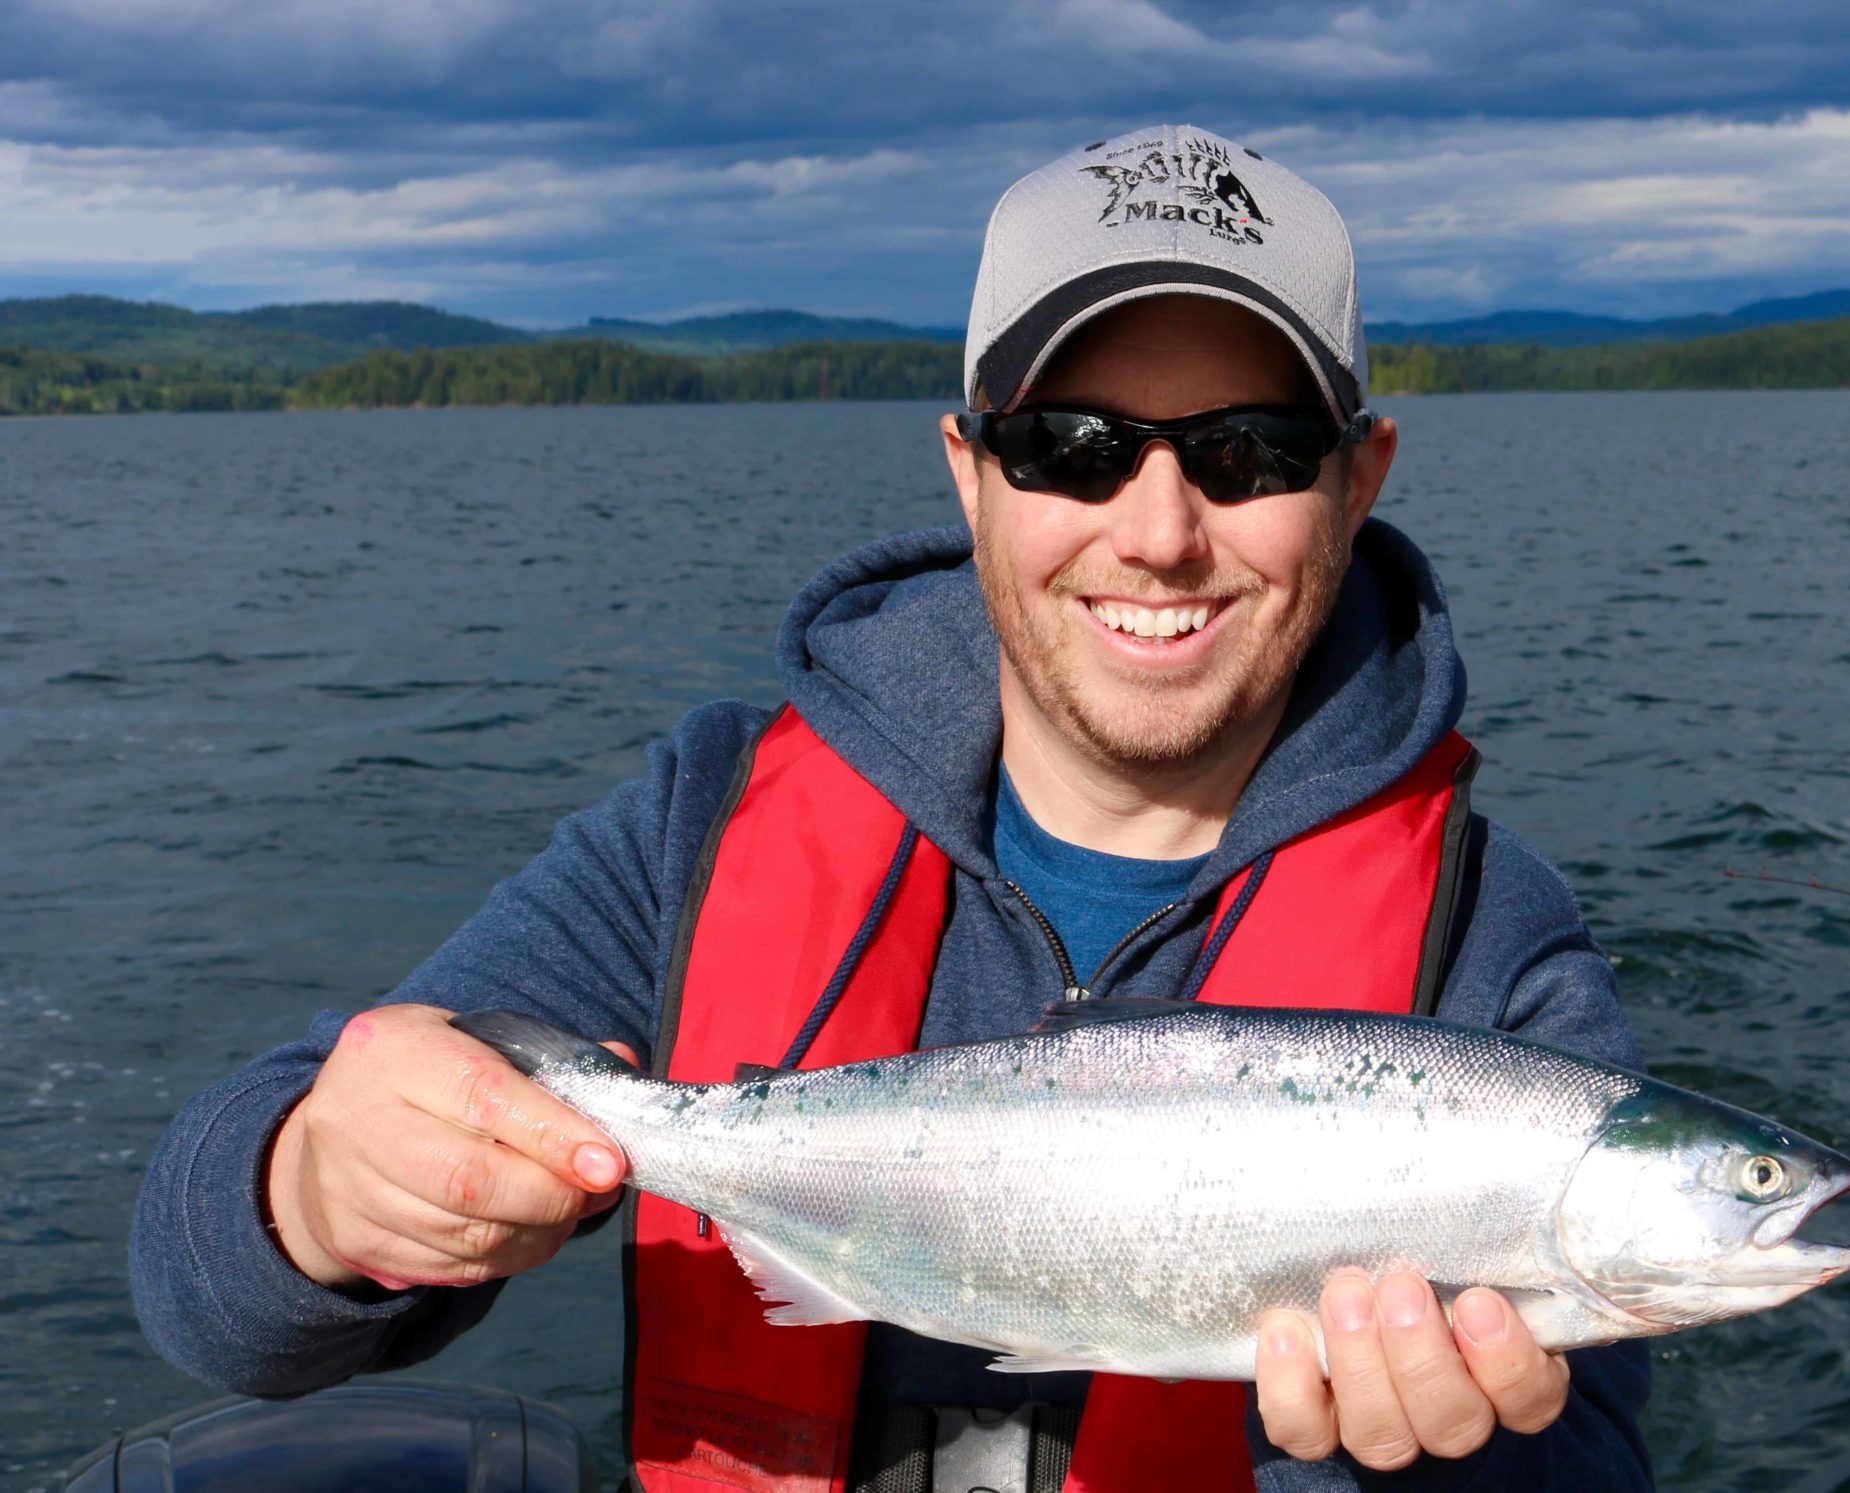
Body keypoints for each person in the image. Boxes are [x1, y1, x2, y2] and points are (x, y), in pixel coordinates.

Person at [132, 124, 1656, 1491]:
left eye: (1249, 450)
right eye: (1077, 445)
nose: (1161, 529)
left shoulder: (1490, 937)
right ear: (971, 469)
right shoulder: (699, 825)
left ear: (1358, 478)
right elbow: (214, 1298)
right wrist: (318, 1190)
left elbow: (1592, 1458)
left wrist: (1424, 1461)